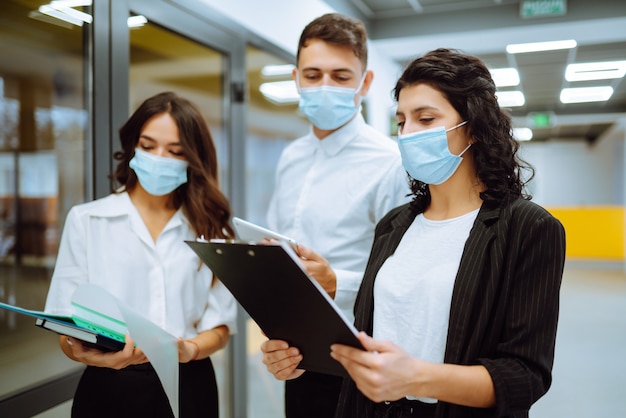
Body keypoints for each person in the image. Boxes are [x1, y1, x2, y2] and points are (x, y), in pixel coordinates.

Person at [262, 48, 566, 418]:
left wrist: (419, 379)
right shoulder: (394, 225)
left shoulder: (528, 228)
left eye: (425, 118)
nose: (408, 134)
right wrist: (304, 358)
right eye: (401, 121)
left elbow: (525, 376)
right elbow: (375, 344)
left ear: (473, 125)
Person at [44, 91, 237, 418]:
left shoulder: (210, 229)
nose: (159, 158)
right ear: (132, 146)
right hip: (108, 389)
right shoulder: (87, 220)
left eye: (175, 151)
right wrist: (88, 355)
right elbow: (66, 326)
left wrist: (188, 350)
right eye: (148, 146)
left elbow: (220, 328)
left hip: (189, 385)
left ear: (193, 159)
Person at [265, 12, 411, 418]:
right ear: (296, 77)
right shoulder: (291, 157)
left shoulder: (389, 163)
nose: (324, 86)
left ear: (365, 83)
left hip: (363, 359)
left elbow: (405, 276)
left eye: (341, 76)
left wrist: (337, 281)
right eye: (312, 75)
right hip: (298, 356)